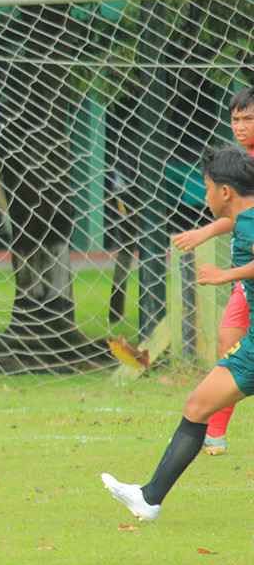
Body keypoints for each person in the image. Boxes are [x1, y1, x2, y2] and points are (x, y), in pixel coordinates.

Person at [102, 145, 254, 522]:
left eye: (205, 189)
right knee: (197, 405)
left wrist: (225, 275)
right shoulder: (243, 218)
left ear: (225, 192)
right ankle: (149, 499)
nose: (203, 197)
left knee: (197, 405)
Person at [170, 86, 254, 455]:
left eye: (248, 119)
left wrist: (223, 272)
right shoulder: (240, 162)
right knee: (228, 338)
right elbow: (239, 216)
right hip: (246, 269)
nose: (240, 126)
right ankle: (214, 433)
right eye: (235, 119)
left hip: (242, 269)